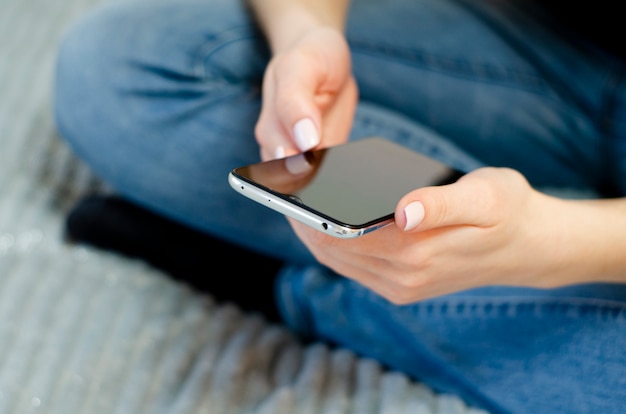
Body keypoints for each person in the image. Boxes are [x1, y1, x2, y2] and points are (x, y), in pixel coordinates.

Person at [53, 0, 626, 412]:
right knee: (117, 66)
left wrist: (556, 244)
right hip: (567, 49)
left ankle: (295, 291)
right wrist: (305, 33)